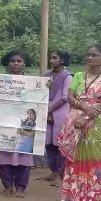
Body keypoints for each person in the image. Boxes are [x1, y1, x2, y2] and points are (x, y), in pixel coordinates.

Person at [58, 44, 101, 201]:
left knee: (96, 164)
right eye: (88, 54)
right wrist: (83, 107)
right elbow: (69, 97)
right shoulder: (78, 76)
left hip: (97, 126)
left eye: (94, 55)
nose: (89, 57)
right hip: (75, 124)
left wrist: (92, 113)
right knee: (76, 163)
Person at [0, 50, 34, 198]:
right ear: (8, 63)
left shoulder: (32, 82)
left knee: (24, 156)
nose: (16, 64)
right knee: (4, 155)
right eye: (13, 61)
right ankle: (7, 186)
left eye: (19, 61)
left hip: (24, 125)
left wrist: (45, 86)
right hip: (5, 124)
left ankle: (20, 188)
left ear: (24, 63)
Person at [36, 50, 71, 187]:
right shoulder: (46, 76)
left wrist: (49, 111)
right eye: (50, 58)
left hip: (60, 114)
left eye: (55, 58)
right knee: (48, 143)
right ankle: (52, 171)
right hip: (47, 114)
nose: (51, 60)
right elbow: (40, 93)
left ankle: (60, 174)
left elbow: (64, 97)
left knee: (59, 144)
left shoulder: (67, 76)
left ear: (62, 60)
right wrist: (46, 112)